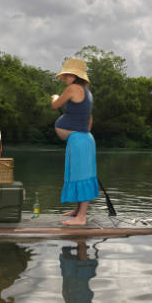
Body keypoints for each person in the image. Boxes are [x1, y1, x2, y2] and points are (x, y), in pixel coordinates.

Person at [51, 58, 100, 226]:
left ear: (75, 75)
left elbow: (56, 104)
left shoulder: (72, 89)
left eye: (66, 74)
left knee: (81, 176)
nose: (64, 78)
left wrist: (55, 97)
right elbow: (90, 120)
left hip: (80, 139)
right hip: (83, 139)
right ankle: (78, 211)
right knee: (77, 174)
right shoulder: (87, 93)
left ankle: (81, 217)